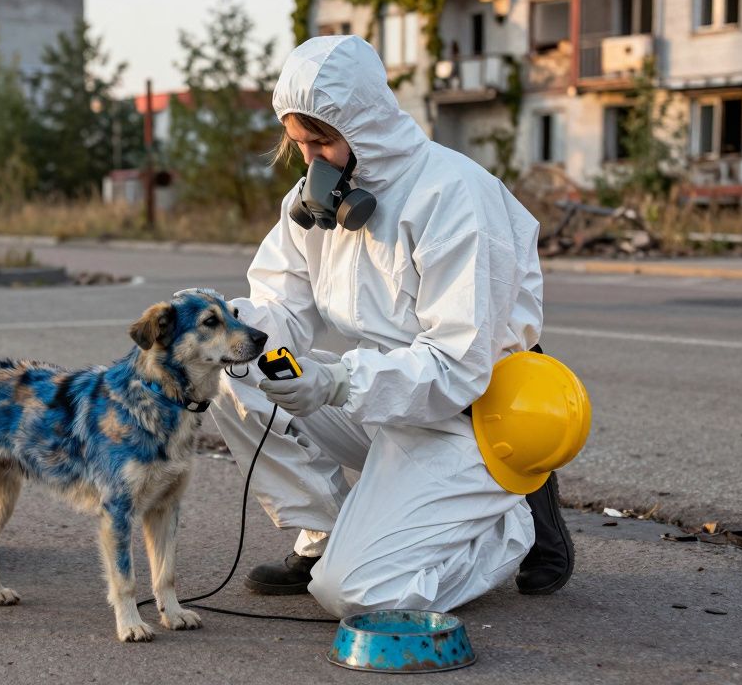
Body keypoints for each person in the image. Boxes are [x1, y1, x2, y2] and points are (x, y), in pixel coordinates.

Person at [188, 35, 572, 618]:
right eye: (299, 145)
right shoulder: (314, 201)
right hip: (390, 399)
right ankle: (325, 533)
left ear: (366, 124)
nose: (313, 161)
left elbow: (457, 364)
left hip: (472, 419)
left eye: (323, 142)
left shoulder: (455, 196)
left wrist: (338, 382)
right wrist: (222, 322)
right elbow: (281, 308)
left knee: (356, 597)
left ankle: (505, 527)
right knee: (229, 369)